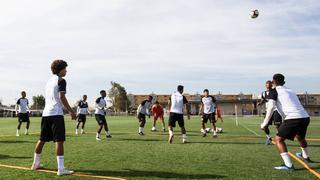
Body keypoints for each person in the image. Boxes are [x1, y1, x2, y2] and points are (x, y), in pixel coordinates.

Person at [31, 60, 76, 176]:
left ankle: (35, 164)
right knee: (59, 141)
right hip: (56, 114)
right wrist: (71, 111)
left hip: (46, 114)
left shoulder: (49, 81)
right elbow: (62, 97)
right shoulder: (61, 80)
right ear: (60, 69)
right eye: (65, 69)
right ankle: (61, 169)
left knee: (42, 139)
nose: (66, 71)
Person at [262, 73, 313, 171]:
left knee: (278, 140)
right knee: (300, 137)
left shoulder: (273, 91)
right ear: (284, 82)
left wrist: (264, 123)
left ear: (273, 82)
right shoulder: (291, 91)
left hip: (293, 118)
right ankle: (306, 157)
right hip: (305, 117)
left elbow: (271, 107)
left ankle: (289, 166)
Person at [259, 80, 282, 145]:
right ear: (265, 85)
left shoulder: (275, 91)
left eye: (269, 84)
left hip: (276, 110)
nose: (268, 85)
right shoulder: (263, 93)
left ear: (272, 85)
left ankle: (279, 139)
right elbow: (264, 100)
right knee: (265, 126)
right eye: (267, 84)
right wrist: (260, 103)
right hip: (268, 111)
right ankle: (268, 138)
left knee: (278, 126)